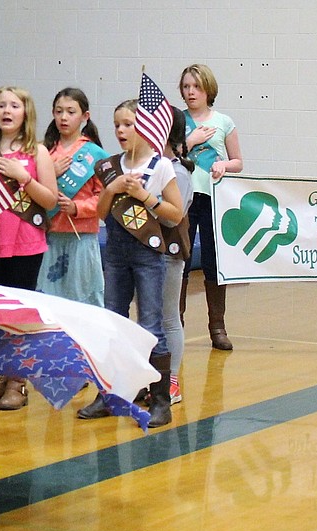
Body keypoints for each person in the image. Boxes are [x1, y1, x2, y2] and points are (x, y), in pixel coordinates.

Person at [78, 99, 184, 427]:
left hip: (148, 255)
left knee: (151, 324)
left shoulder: (161, 166)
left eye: (128, 124)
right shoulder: (111, 167)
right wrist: (111, 188)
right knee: (112, 323)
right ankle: (110, 395)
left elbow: (175, 213)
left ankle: (160, 399)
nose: (121, 131)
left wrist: (145, 196)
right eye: (117, 125)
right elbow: (99, 212)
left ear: (146, 128)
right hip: (115, 252)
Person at [0, 86, 58, 410]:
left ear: (25, 113)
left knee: (19, 314)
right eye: (1, 105)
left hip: (25, 243)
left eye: (14, 105)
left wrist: (23, 177)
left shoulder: (38, 153)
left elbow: (50, 201)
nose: (6, 110)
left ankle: (17, 382)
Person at [179, 64, 243, 351]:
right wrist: (188, 141)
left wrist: (223, 165)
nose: (191, 92)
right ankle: (175, 323)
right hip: (180, 198)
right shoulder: (176, 121)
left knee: (215, 263)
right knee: (179, 259)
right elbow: (161, 156)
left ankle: (217, 327)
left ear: (208, 89)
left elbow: (238, 162)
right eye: (186, 87)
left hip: (212, 198)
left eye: (196, 87)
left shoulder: (224, 122)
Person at [36, 87, 108, 307]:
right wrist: (50, 171)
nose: (64, 117)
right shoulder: (43, 152)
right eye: (59, 111)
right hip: (49, 236)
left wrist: (77, 207)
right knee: (49, 300)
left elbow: (104, 199)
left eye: (70, 111)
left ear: (85, 116)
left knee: (84, 299)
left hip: (82, 238)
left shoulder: (95, 155)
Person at [161, 106, 195, 405]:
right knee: (148, 318)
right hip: (143, 254)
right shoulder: (145, 167)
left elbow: (172, 218)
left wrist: (145, 200)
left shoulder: (179, 172)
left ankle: (171, 381)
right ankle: (150, 379)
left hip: (169, 253)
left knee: (169, 317)